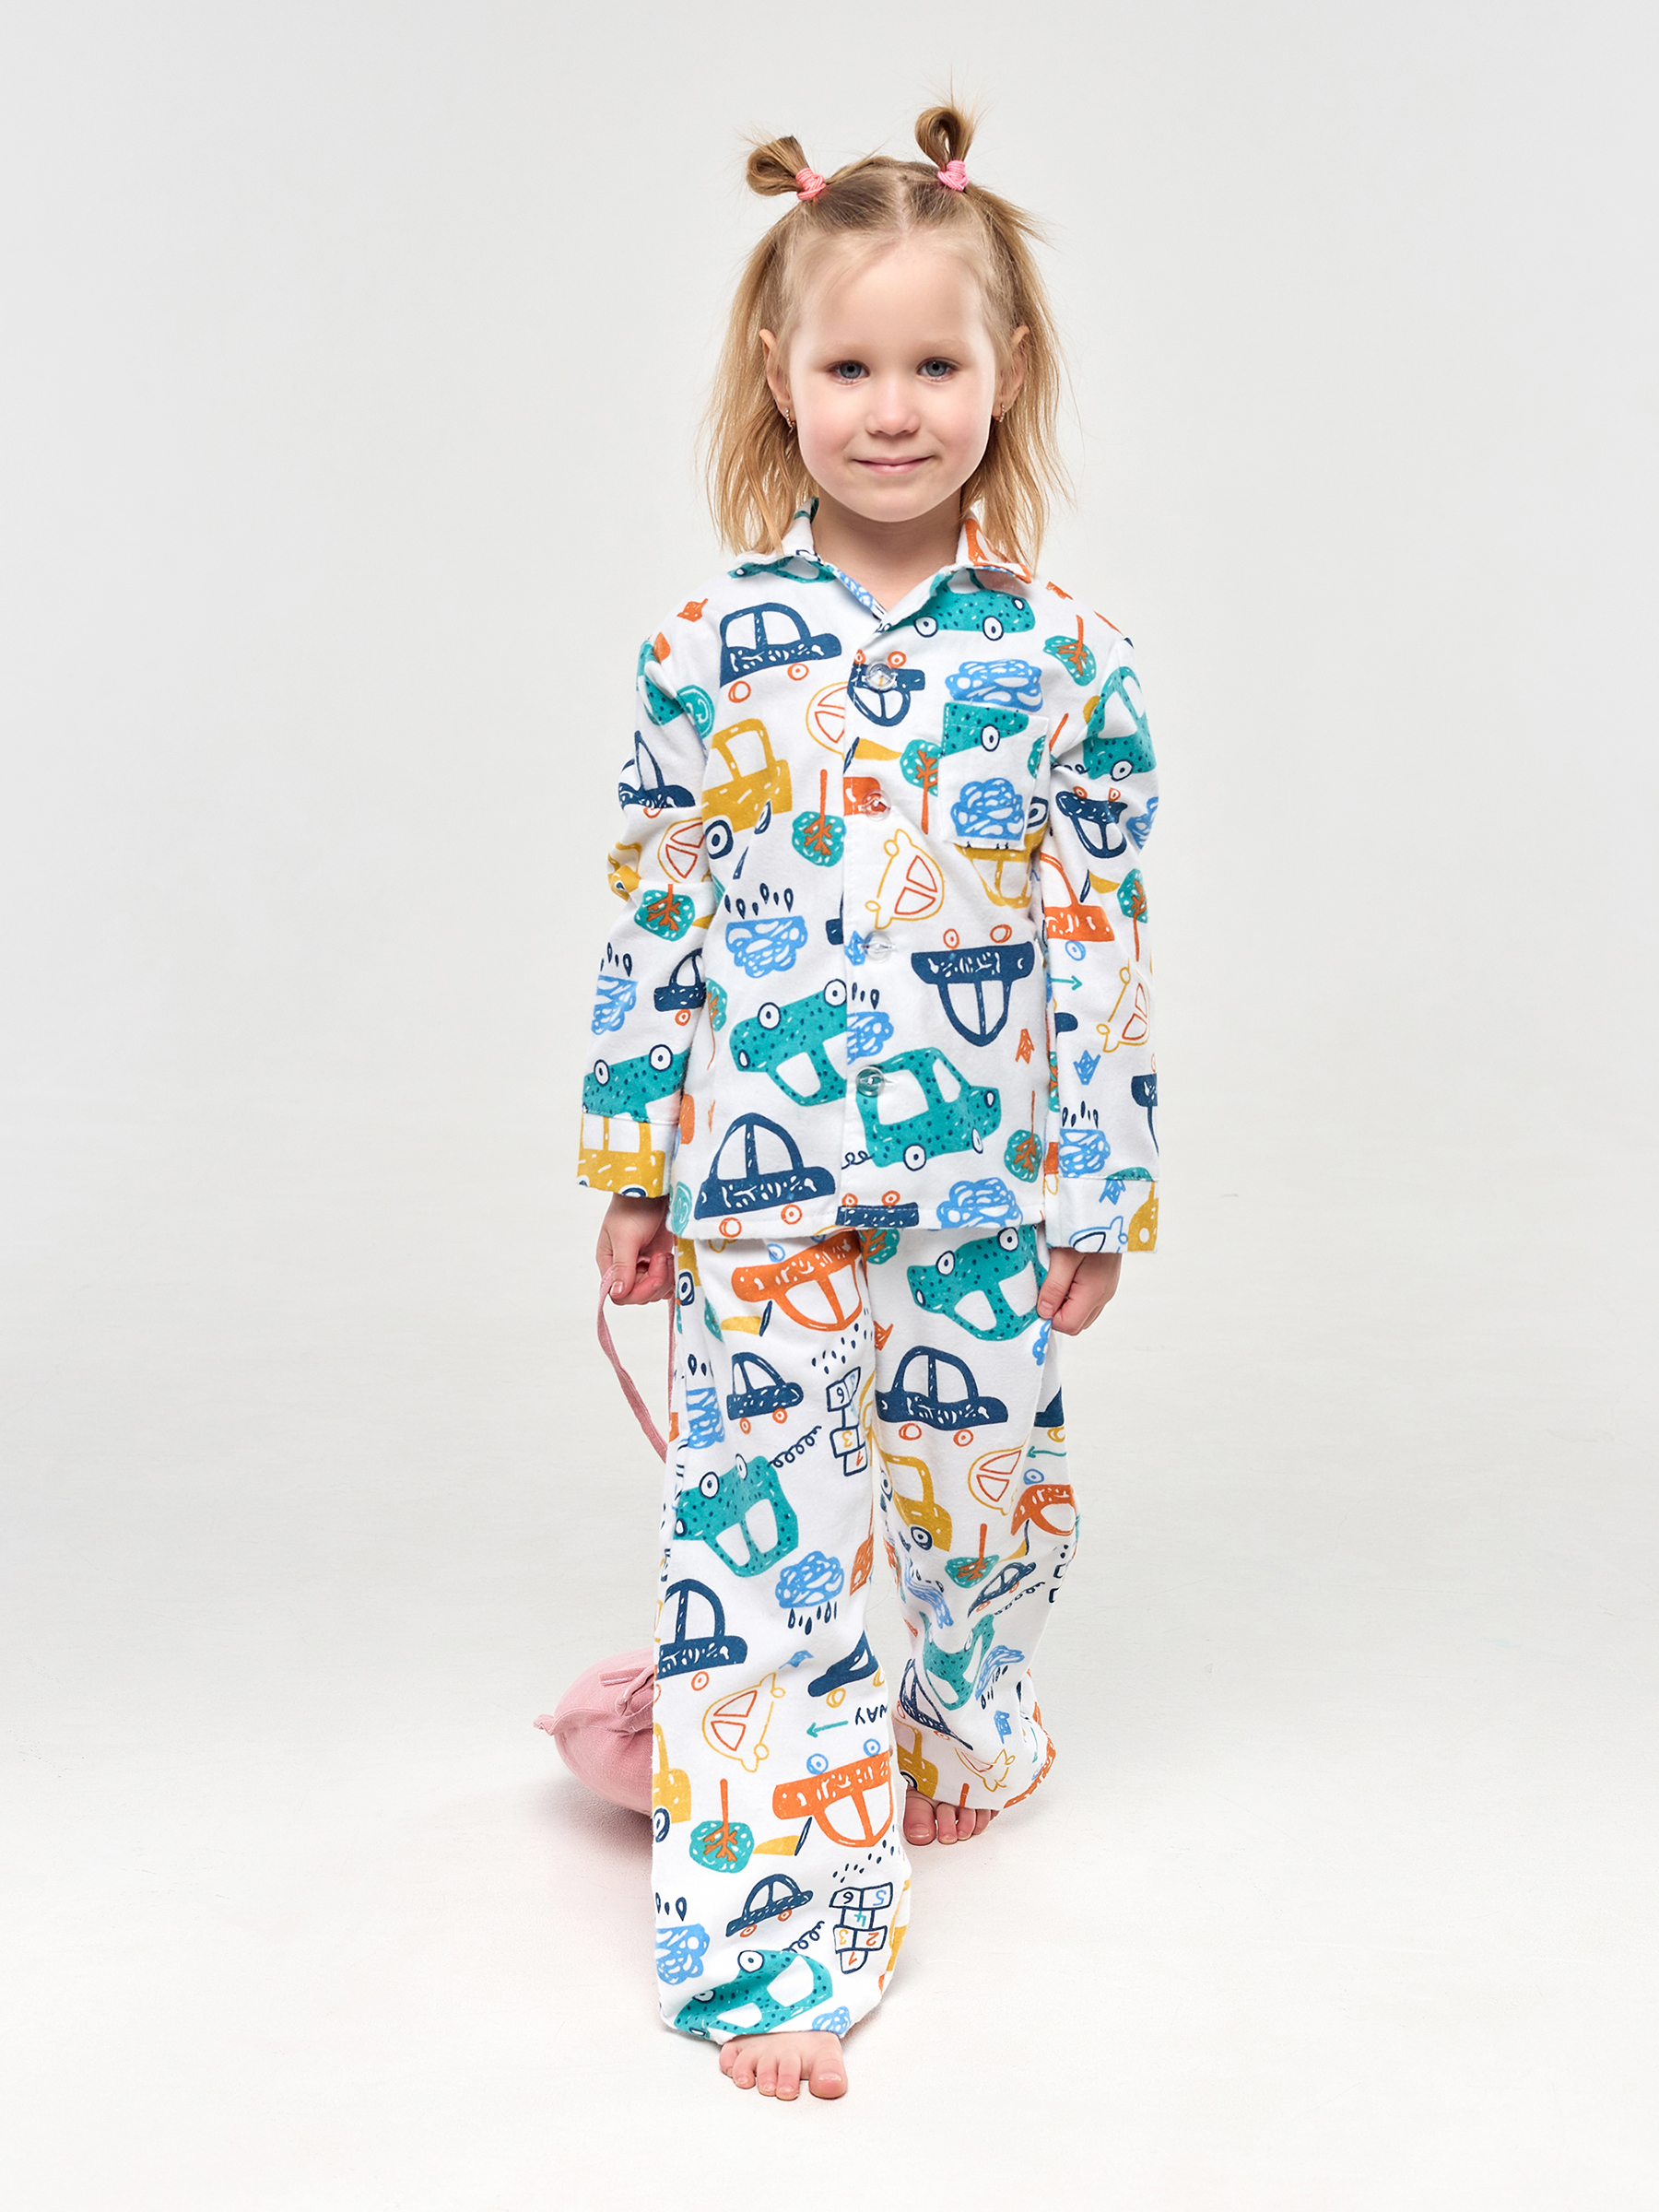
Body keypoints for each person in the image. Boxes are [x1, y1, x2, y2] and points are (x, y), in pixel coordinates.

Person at [576, 102, 1160, 2102]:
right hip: (757, 1191)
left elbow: (1098, 932)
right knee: (768, 1560)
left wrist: (1102, 1184)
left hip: (988, 1183)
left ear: (1008, 372)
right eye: (848, 368)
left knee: (982, 1507)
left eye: (933, 365)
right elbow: (656, 909)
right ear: (779, 377)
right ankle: (776, 1952)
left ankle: (968, 1722)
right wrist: (634, 1159)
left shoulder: (1072, 661)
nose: (892, 411)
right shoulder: (706, 652)